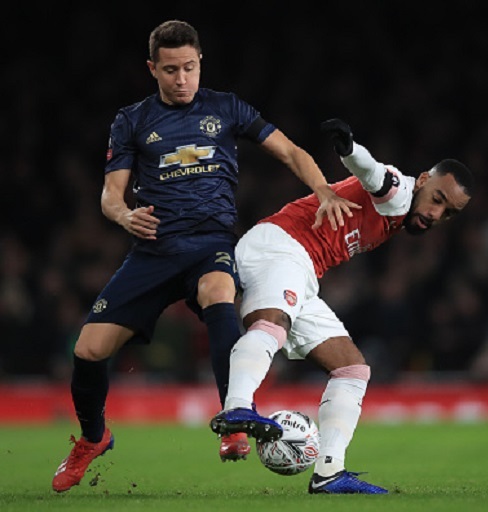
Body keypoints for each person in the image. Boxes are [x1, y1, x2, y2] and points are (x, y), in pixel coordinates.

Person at [52, 21, 358, 493]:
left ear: (200, 64)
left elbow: (290, 151)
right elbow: (110, 195)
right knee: (88, 351)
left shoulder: (226, 107)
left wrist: (323, 190)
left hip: (210, 244)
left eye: (189, 68)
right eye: (170, 70)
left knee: (218, 291)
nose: (181, 79)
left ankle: (234, 419)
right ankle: (94, 438)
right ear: (152, 68)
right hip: (153, 253)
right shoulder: (132, 119)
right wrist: (123, 215)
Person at [209, 118, 474, 494]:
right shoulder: (399, 191)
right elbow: (374, 174)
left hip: (302, 269)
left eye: (448, 213)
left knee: (352, 368)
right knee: (272, 324)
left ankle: (329, 472)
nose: (435, 215)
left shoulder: (400, 214)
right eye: (437, 200)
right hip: (281, 246)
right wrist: (349, 150)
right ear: (423, 181)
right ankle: (236, 410)